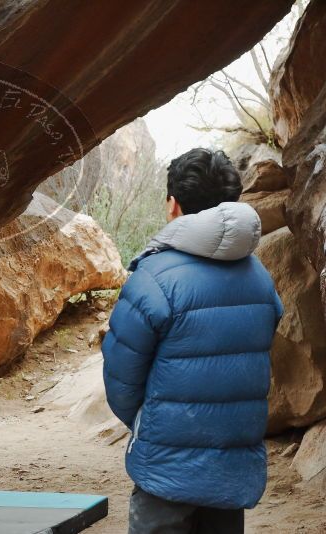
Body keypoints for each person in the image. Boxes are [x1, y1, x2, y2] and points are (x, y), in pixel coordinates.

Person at [102, 148, 283, 534]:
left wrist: (149, 420)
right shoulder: (259, 275)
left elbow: (120, 375)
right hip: (233, 462)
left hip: (167, 464)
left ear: (172, 204)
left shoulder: (154, 275)